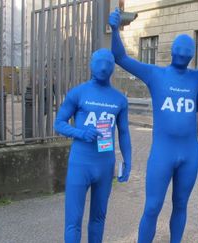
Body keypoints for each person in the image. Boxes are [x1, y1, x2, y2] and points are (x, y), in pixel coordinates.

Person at [108, 8, 198, 243]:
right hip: (162, 153)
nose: (182, 53)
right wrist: (115, 30)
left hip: (190, 154)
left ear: (191, 55)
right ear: (172, 51)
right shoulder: (154, 73)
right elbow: (121, 58)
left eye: (187, 50)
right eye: (179, 48)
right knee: (152, 207)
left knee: (181, 206)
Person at [54, 48, 132, 243]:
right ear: (90, 64)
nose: (103, 67)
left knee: (98, 218)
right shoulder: (78, 93)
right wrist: (81, 133)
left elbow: (123, 132)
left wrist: (128, 160)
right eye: (99, 62)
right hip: (80, 164)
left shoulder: (119, 99)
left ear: (114, 67)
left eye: (108, 63)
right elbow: (59, 123)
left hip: (105, 165)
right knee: (73, 221)